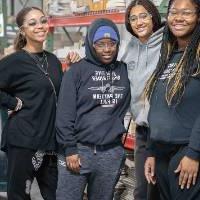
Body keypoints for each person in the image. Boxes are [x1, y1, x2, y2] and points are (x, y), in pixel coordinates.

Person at [0, 6, 80, 200]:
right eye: (32, 23)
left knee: (56, 195)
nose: (40, 26)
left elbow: (57, 94)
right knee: (20, 195)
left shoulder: (52, 60)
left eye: (43, 21)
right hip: (24, 141)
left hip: (50, 142)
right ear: (22, 30)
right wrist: (12, 102)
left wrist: (70, 71)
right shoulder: (15, 61)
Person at [56, 18, 130, 200]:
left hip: (110, 152)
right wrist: (70, 149)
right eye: (100, 44)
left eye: (112, 43)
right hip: (79, 151)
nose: (107, 49)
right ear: (90, 44)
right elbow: (64, 115)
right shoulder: (76, 72)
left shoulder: (124, 71)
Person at [144, 0, 200, 199]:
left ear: (198, 17)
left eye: (186, 13)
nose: (178, 17)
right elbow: (158, 106)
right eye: (174, 12)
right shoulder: (168, 55)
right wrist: (151, 151)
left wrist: (194, 153)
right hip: (161, 153)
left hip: (186, 153)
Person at [121, 0, 163, 199]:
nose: (139, 22)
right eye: (133, 18)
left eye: (144, 16)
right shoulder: (130, 48)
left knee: (161, 187)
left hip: (165, 129)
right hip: (143, 130)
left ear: (153, 17)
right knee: (142, 189)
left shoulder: (168, 42)